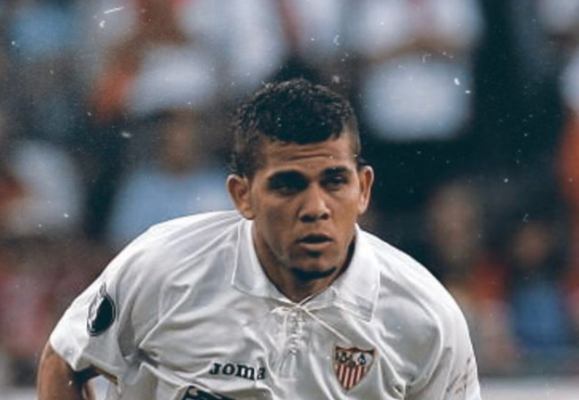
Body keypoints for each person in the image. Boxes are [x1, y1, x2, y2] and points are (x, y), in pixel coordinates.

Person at [37, 79, 481, 400]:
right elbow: (63, 362)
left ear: (363, 189)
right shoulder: (164, 267)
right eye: (288, 185)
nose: (316, 207)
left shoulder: (425, 316)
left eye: (334, 181)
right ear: (242, 196)